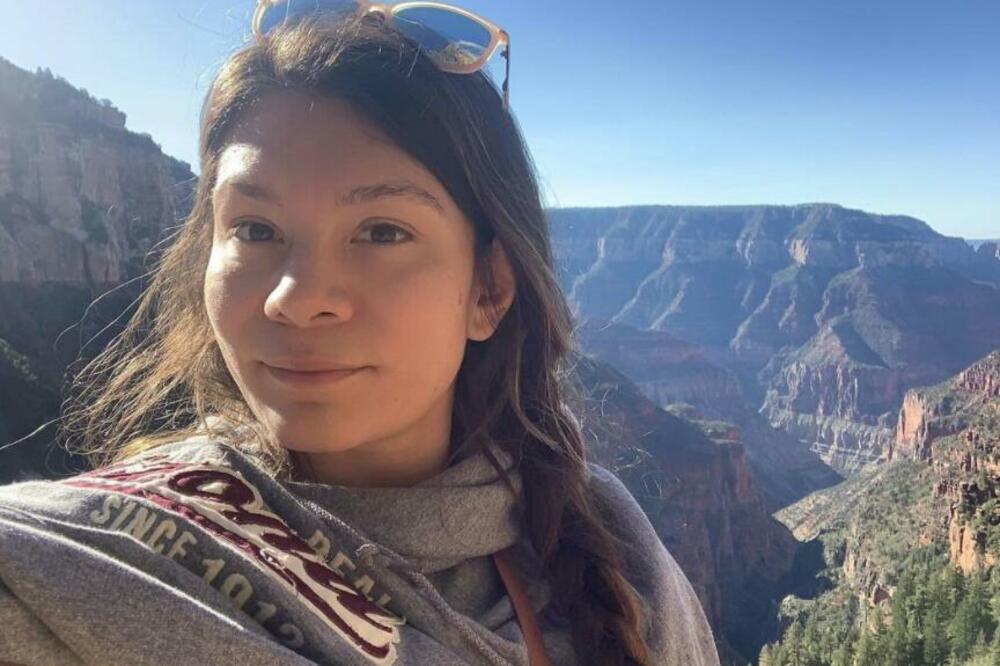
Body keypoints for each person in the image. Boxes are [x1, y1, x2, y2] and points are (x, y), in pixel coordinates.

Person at [0, 3, 720, 665]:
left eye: (381, 232)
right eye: (255, 229)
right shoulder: (82, 559)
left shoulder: (614, 558)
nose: (296, 299)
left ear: (489, 290)